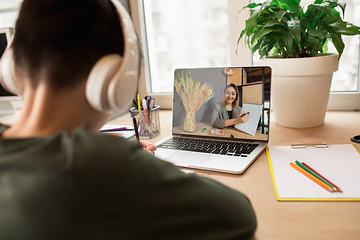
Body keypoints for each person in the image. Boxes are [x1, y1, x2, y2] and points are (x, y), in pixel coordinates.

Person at [0, 0, 257, 239]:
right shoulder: (98, 163)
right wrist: (133, 167)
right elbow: (239, 215)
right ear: (111, 80)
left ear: (13, 65)